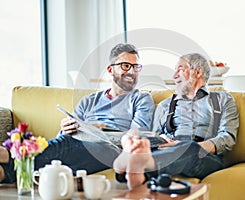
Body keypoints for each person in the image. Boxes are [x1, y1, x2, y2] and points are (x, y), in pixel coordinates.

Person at [0, 43, 155, 183]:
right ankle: (5, 173)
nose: (132, 72)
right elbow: (62, 138)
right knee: (66, 143)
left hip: (111, 149)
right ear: (110, 69)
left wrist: (96, 131)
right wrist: (65, 128)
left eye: (136, 67)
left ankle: (8, 154)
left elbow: (136, 136)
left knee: (68, 144)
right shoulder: (89, 101)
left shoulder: (141, 99)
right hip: (78, 145)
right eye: (126, 66)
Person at [113, 53, 239, 189]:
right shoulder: (165, 105)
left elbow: (228, 137)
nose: (174, 76)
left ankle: (137, 166)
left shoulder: (223, 100)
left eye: (180, 69)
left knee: (189, 147)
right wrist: (161, 138)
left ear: (197, 72)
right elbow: (154, 134)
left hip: (204, 155)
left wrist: (186, 145)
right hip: (165, 150)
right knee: (143, 139)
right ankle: (132, 162)